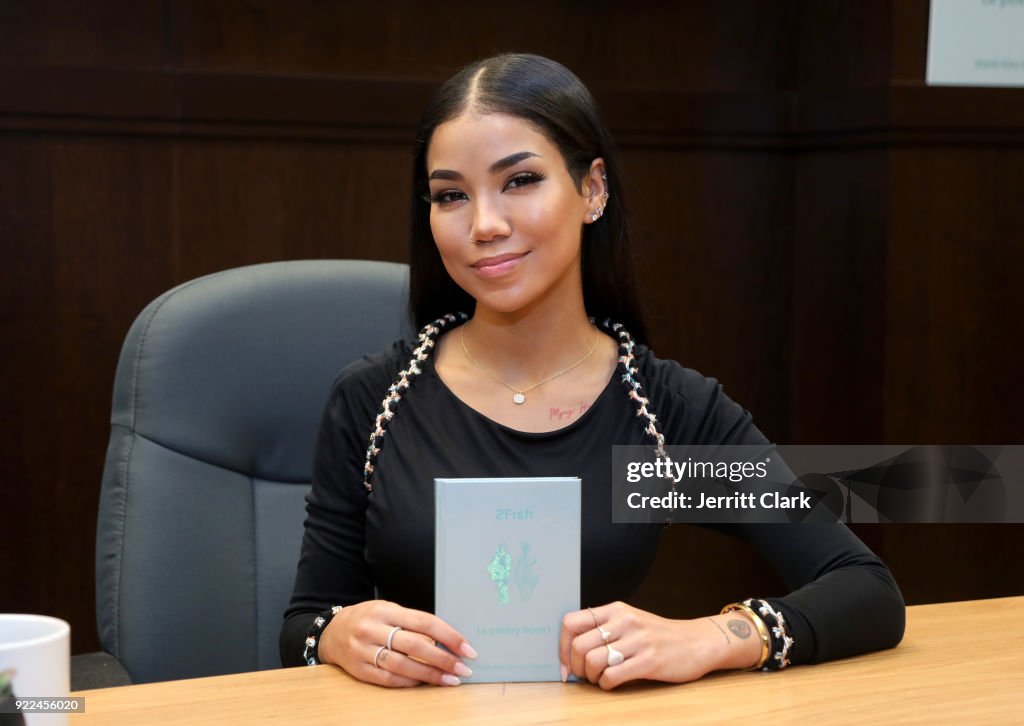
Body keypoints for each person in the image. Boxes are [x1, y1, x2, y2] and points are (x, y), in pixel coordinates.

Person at [280, 53, 905, 690]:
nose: (485, 225)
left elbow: (865, 589)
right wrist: (335, 634)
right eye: (451, 195)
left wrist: (710, 636)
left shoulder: (662, 412)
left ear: (592, 190)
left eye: (519, 180)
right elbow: (304, 623)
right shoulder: (375, 399)